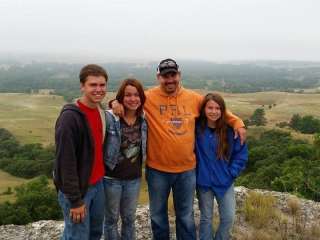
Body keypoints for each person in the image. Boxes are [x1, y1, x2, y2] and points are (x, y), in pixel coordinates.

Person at [112, 58, 246, 240]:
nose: (169, 80)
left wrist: (237, 122)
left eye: (173, 75)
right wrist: (114, 103)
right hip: (157, 169)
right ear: (158, 77)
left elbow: (216, 108)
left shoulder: (193, 98)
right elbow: (128, 99)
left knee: (186, 216)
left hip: (186, 170)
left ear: (179, 75)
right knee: (157, 216)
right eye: (165, 76)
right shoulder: (148, 97)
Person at [54, 64, 108, 240]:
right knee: (77, 236)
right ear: (82, 86)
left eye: (102, 85)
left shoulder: (99, 111)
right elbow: (65, 163)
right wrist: (76, 201)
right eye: (93, 85)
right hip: (79, 191)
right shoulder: (70, 118)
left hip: (98, 184)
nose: (98, 90)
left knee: (94, 233)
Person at [195, 93, 248, 240]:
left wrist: (231, 173)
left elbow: (241, 155)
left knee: (228, 218)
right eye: (210, 107)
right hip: (203, 182)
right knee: (206, 219)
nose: (213, 111)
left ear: (222, 110)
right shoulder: (196, 129)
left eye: (217, 108)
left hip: (224, 182)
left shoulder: (231, 130)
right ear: (204, 109)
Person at [103, 78, 147, 240]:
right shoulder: (110, 118)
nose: (133, 99)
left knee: (129, 219)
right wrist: (112, 102)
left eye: (136, 95)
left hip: (133, 180)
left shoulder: (144, 118)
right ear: (121, 97)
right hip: (111, 179)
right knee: (111, 220)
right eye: (128, 95)